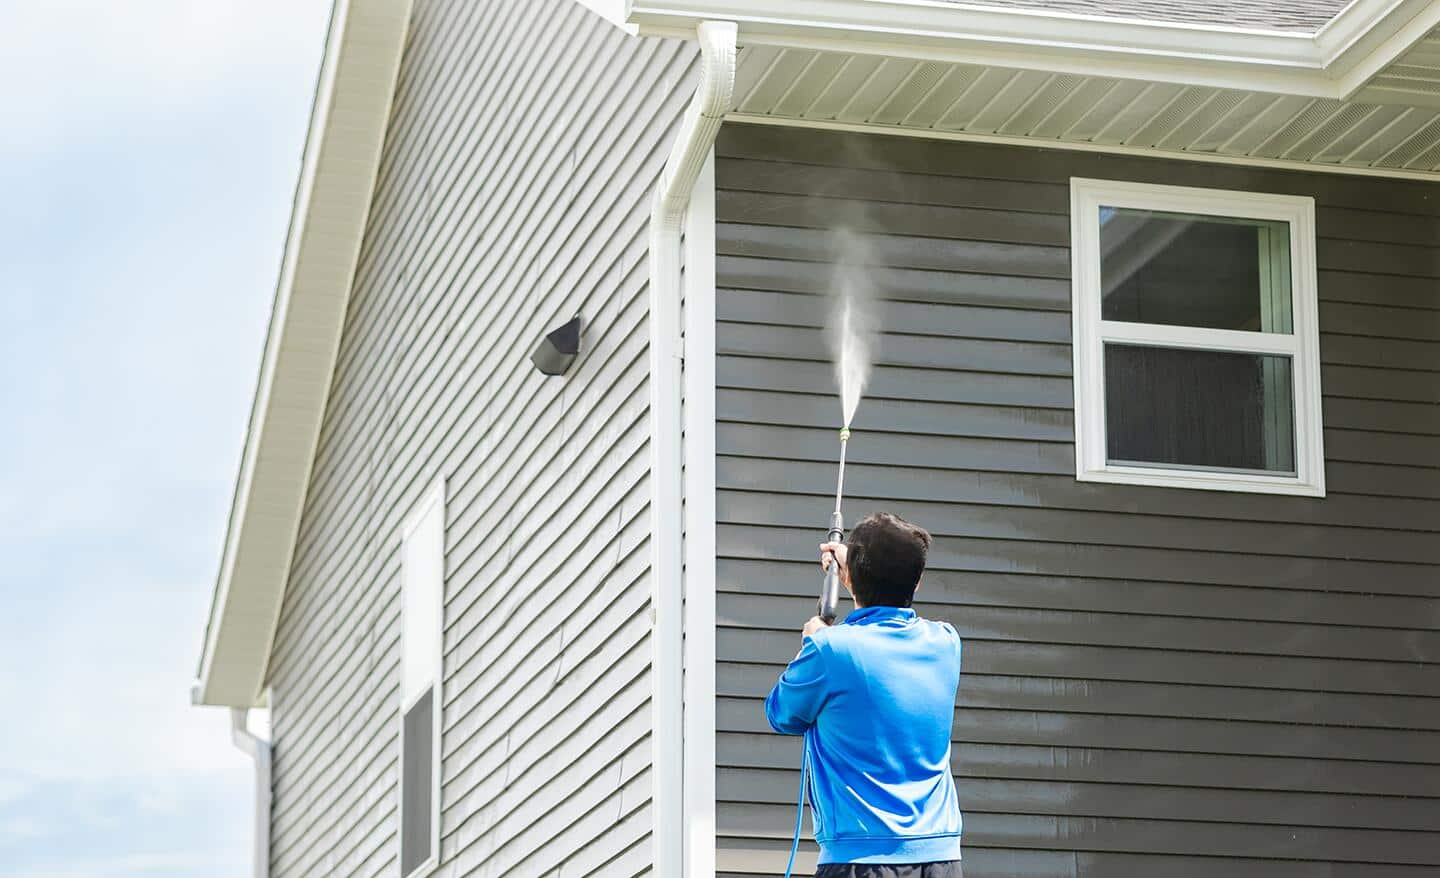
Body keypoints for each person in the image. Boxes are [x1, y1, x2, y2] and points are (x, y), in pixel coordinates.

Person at [765, 512, 963, 878]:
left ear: (851, 576)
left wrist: (812, 642)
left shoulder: (829, 652)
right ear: (917, 582)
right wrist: (854, 566)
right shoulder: (946, 642)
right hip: (940, 857)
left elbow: (781, 714)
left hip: (859, 859)